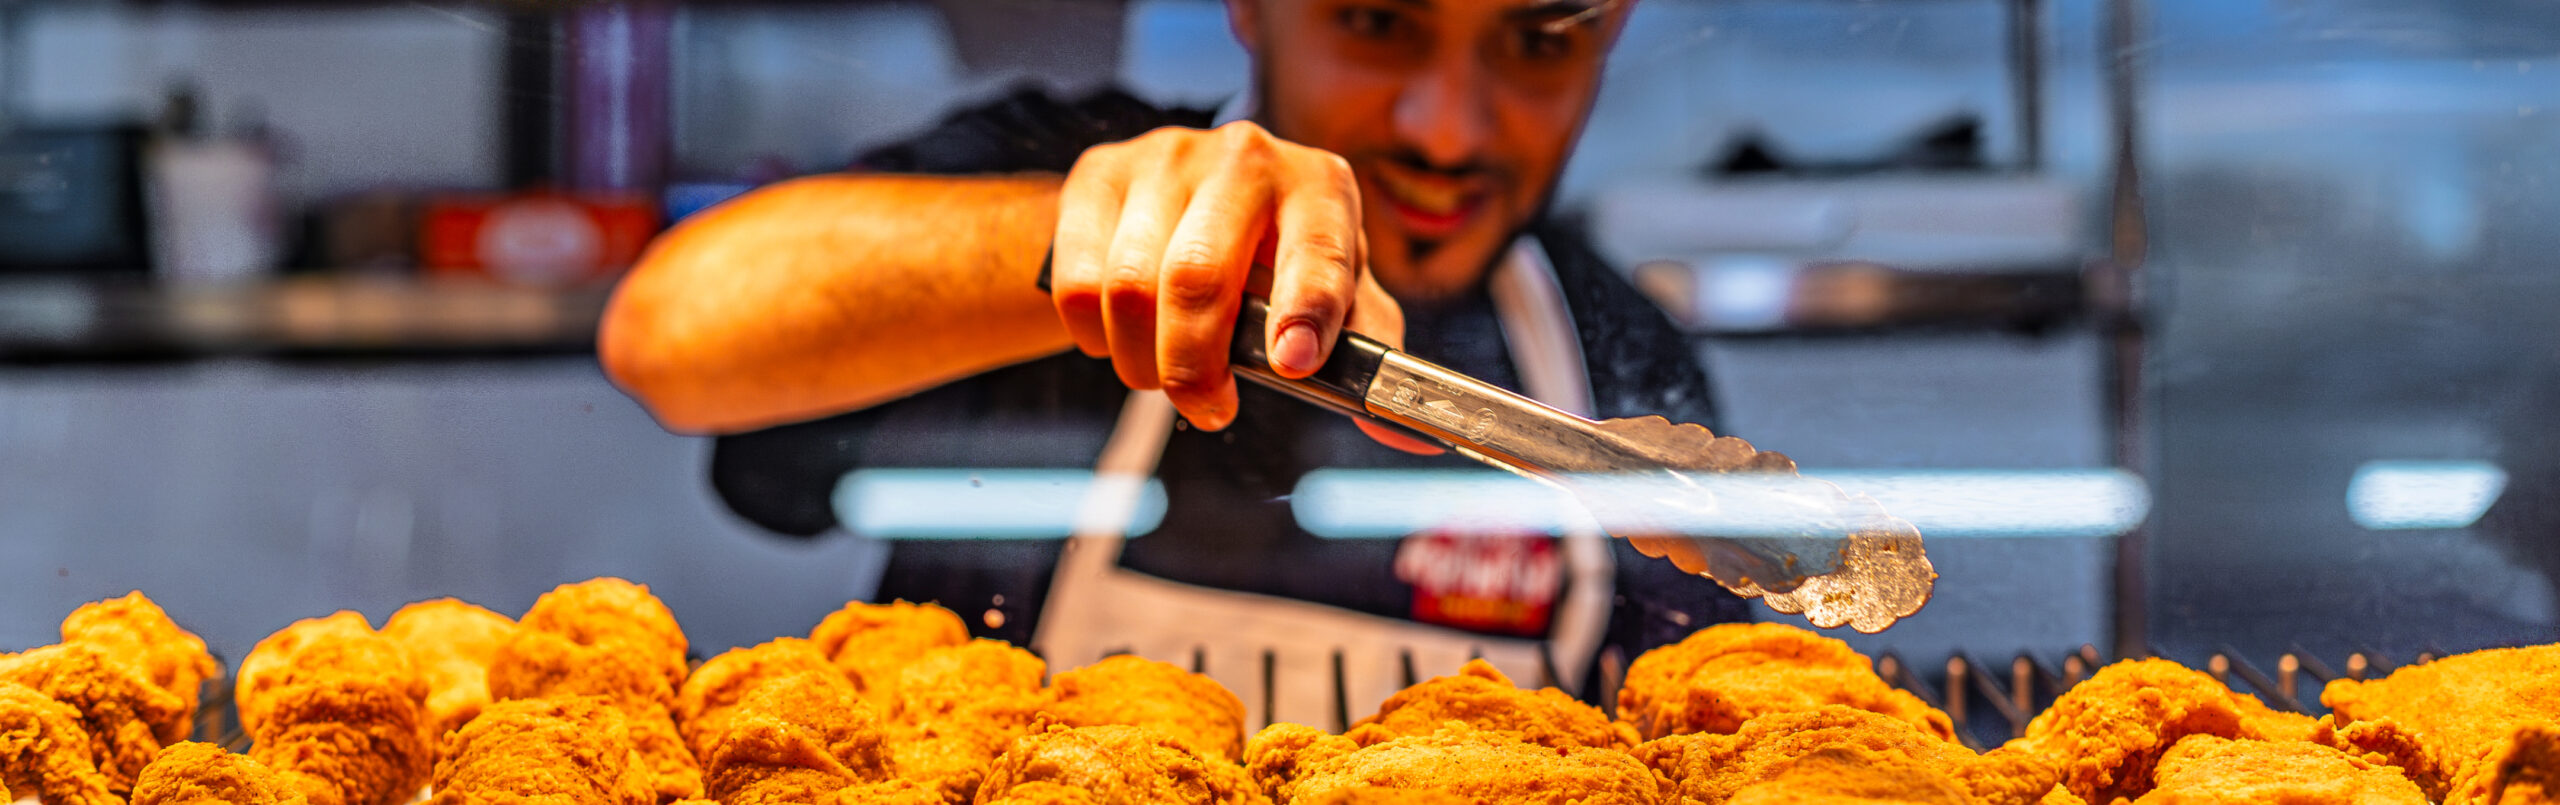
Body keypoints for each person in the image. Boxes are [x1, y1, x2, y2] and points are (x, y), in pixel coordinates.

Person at [600, 0, 1749, 715]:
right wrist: (1059, 240)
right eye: (1376, 21)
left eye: (1539, 39)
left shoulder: (1617, 362)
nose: (1446, 129)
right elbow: (670, 329)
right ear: (1252, 7)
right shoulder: (1051, 162)